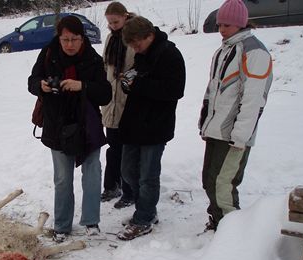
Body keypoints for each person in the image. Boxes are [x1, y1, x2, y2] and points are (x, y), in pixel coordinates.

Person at [28, 15, 112, 242]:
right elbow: (32, 81)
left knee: (92, 174)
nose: (70, 45)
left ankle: (91, 221)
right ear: (59, 37)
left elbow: (106, 94)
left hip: (88, 125)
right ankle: (63, 225)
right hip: (57, 125)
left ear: (82, 37)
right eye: (65, 39)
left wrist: (82, 86)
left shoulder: (92, 59)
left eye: (75, 39)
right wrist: (41, 85)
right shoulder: (48, 54)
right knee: (63, 178)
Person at [199, 0, 273, 231]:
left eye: (227, 25)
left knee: (224, 183)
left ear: (241, 24)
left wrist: (240, 136)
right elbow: (213, 91)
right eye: (220, 24)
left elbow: (253, 99)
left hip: (234, 134)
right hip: (216, 129)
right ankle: (218, 221)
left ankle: (233, 232)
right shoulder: (225, 49)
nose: (221, 29)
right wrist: (205, 122)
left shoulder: (254, 52)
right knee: (209, 179)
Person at [115, 16, 186, 240]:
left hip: (156, 126)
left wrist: (139, 84)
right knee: (127, 170)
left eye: (137, 43)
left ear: (149, 35)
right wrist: (128, 82)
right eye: (132, 45)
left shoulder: (170, 54)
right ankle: (146, 209)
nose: (135, 48)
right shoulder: (142, 53)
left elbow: (175, 90)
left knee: (148, 175)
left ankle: (144, 217)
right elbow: (139, 82)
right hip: (134, 124)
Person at [100, 2, 136, 208]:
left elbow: (137, 66)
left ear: (125, 16)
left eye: (116, 21)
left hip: (127, 101)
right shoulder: (111, 38)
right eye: (109, 22)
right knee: (113, 147)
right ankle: (111, 186)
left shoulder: (132, 36)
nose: (112, 25)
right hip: (111, 101)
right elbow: (106, 66)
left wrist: (127, 80)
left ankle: (129, 191)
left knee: (126, 150)